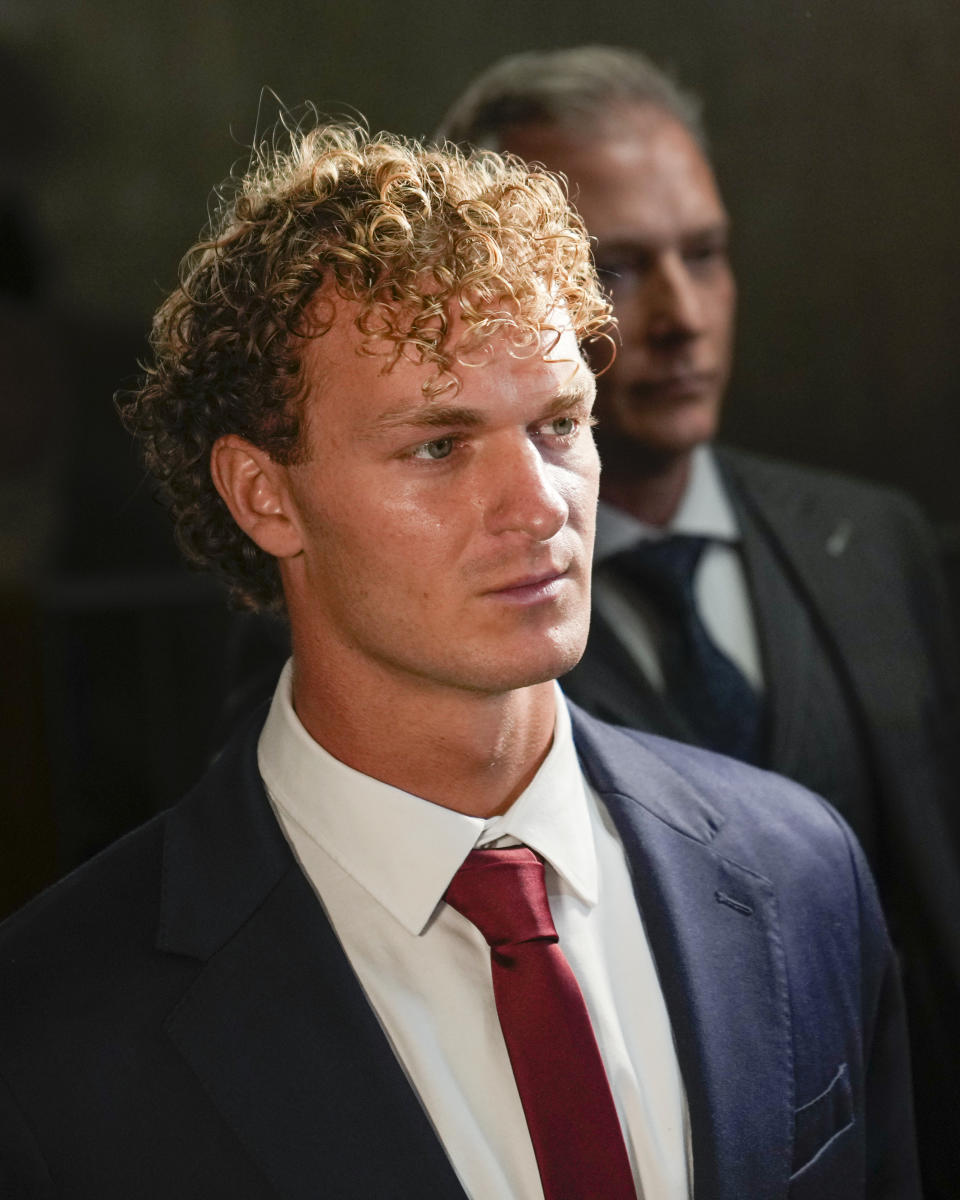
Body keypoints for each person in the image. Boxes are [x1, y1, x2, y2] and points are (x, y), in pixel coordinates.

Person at [0, 121, 918, 1199]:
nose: (540, 507)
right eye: (437, 446)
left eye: (559, 424)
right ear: (264, 495)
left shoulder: (800, 872)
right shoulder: (50, 1027)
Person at [438, 45, 960, 1197]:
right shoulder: (410, 620)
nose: (678, 315)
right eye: (615, 268)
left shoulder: (875, 544)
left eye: (705, 255)